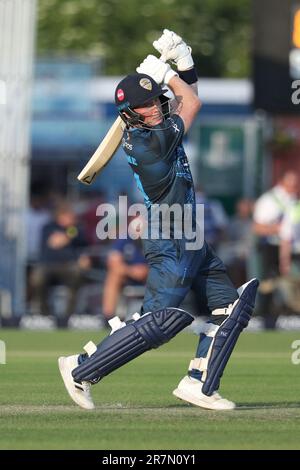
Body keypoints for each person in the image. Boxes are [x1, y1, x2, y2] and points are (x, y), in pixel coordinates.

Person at [58, 29, 258, 410]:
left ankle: (199, 383)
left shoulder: (155, 125)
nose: (155, 107)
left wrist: (182, 64)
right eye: (146, 105)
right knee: (159, 322)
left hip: (190, 235)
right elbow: (192, 103)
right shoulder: (151, 142)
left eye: (155, 101)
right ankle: (81, 368)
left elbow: (185, 97)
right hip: (170, 236)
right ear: (130, 114)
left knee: (231, 308)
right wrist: (169, 75)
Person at [253, 171, 298, 325]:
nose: (294, 187)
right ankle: (265, 317)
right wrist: (277, 228)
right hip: (272, 246)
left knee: (291, 283)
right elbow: (258, 227)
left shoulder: (293, 200)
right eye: (291, 183)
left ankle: (289, 314)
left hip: (293, 247)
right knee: (269, 283)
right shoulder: (268, 201)